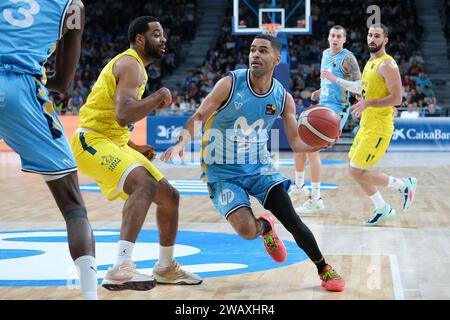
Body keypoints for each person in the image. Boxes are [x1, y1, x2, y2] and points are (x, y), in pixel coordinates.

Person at [161, 34, 346, 292]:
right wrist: (181, 143)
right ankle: (265, 227)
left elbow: (296, 143)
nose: (255, 55)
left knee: (292, 219)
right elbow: (199, 115)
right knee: (247, 230)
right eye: (252, 50)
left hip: (259, 168)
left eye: (262, 51)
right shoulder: (230, 83)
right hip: (222, 171)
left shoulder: (283, 98)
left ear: (277, 59)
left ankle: (323, 267)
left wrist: (321, 143)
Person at [70, 16, 202, 291]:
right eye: (156, 34)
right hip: (91, 140)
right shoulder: (131, 63)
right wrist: (159, 96)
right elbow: (122, 114)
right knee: (144, 183)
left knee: (169, 197)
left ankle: (165, 267)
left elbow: (115, 121)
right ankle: (121, 267)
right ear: (140, 39)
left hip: (113, 142)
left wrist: (134, 147)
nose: (163, 39)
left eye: (163, 34)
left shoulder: (135, 67)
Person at [0, 0, 98, 299]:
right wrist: (46, 83)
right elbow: (65, 82)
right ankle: (90, 295)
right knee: (73, 206)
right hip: (22, 90)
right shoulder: (73, 7)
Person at [330, 24, 417, 226]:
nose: (372, 39)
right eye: (370, 35)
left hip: (379, 128)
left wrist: (368, 102)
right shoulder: (370, 61)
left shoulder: (388, 64)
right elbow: (367, 90)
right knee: (354, 168)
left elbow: (397, 98)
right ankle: (382, 208)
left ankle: (404, 185)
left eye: (377, 36)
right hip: (366, 125)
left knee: (356, 170)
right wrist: (360, 96)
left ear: (385, 40)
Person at [291, 25, 361, 214]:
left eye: (339, 36)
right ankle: (299, 187)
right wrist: (321, 91)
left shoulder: (348, 58)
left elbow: (358, 87)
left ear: (344, 39)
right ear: (328, 37)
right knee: (299, 143)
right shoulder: (324, 54)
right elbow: (328, 82)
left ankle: (315, 199)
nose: (335, 38)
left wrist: (334, 79)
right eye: (333, 35)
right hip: (323, 105)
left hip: (337, 111)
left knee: (312, 152)